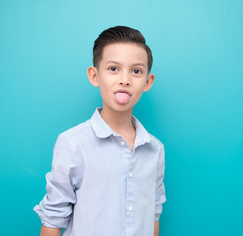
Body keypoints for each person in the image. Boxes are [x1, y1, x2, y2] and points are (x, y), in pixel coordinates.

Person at [34, 25, 166, 236]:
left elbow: (153, 214)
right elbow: (53, 218)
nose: (125, 79)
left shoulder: (155, 149)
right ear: (95, 76)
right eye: (113, 68)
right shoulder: (73, 144)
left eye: (136, 71)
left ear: (147, 82)